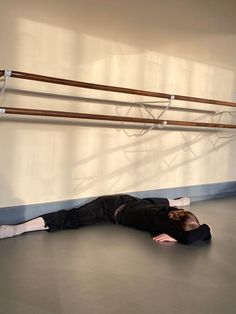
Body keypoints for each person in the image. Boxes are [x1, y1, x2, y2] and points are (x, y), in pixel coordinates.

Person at [0, 194, 211, 244]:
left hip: (132, 201)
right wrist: (178, 238)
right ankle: (19, 229)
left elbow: (204, 230)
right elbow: (198, 235)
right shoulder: (160, 223)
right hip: (108, 208)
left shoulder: (169, 212)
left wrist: (178, 235)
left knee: (152, 201)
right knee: (71, 218)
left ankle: (180, 200)